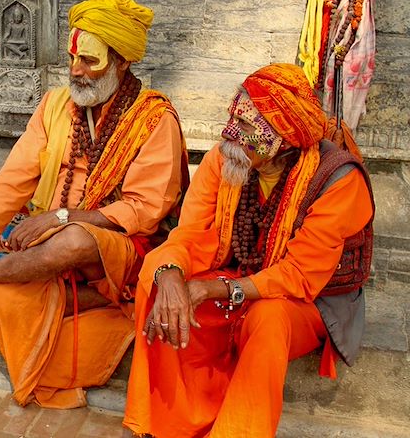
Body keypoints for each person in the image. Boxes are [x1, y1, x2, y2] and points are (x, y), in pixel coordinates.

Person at [0, 0, 190, 409]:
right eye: (73, 57)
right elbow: (14, 178)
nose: (76, 70)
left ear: (122, 62)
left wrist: (62, 217)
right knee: (2, 297)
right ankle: (21, 285)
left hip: (117, 247)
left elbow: (144, 209)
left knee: (75, 239)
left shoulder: (154, 119)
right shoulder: (55, 104)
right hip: (49, 244)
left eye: (90, 61)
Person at [122, 63, 375, 438]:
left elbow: (300, 276)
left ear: (284, 138)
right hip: (234, 277)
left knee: (268, 318)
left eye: (244, 128)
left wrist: (214, 289)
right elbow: (189, 234)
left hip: (309, 301)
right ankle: (162, 423)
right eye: (232, 119)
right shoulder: (225, 158)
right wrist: (171, 273)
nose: (228, 134)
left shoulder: (339, 180)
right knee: (161, 283)